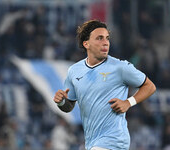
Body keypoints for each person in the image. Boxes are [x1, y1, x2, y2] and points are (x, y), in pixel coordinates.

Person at [53, 20, 156, 150]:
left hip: (114, 141)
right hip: (92, 142)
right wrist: (61, 102)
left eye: (107, 38)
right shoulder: (74, 71)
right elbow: (69, 106)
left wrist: (128, 102)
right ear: (86, 44)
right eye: (99, 38)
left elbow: (150, 86)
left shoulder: (120, 67)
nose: (105, 42)